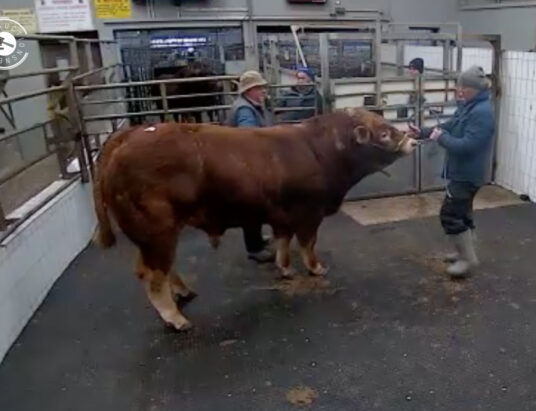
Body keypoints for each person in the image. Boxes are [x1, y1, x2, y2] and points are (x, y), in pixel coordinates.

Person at [409, 65, 495, 278]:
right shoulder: (469, 106)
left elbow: (467, 146)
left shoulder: (482, 113)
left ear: (475, 89)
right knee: (463, 212)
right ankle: (464, 252)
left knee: (450, 214)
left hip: (468, 173)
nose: (459, 90)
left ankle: (468, 259)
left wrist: (441, 139)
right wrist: (425, 132)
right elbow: (452, 124)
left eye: (463, 87)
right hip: (461, 171)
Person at [226, 70, 275, 263]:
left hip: (250, 162)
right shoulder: (245, 110)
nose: (263, 91)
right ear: (249, 90)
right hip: (249, 165)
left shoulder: (252, 106)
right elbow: (249, 138)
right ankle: (254, 248)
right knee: (252, 205)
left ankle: (257, 240)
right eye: (259, 88)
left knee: (256, 205)